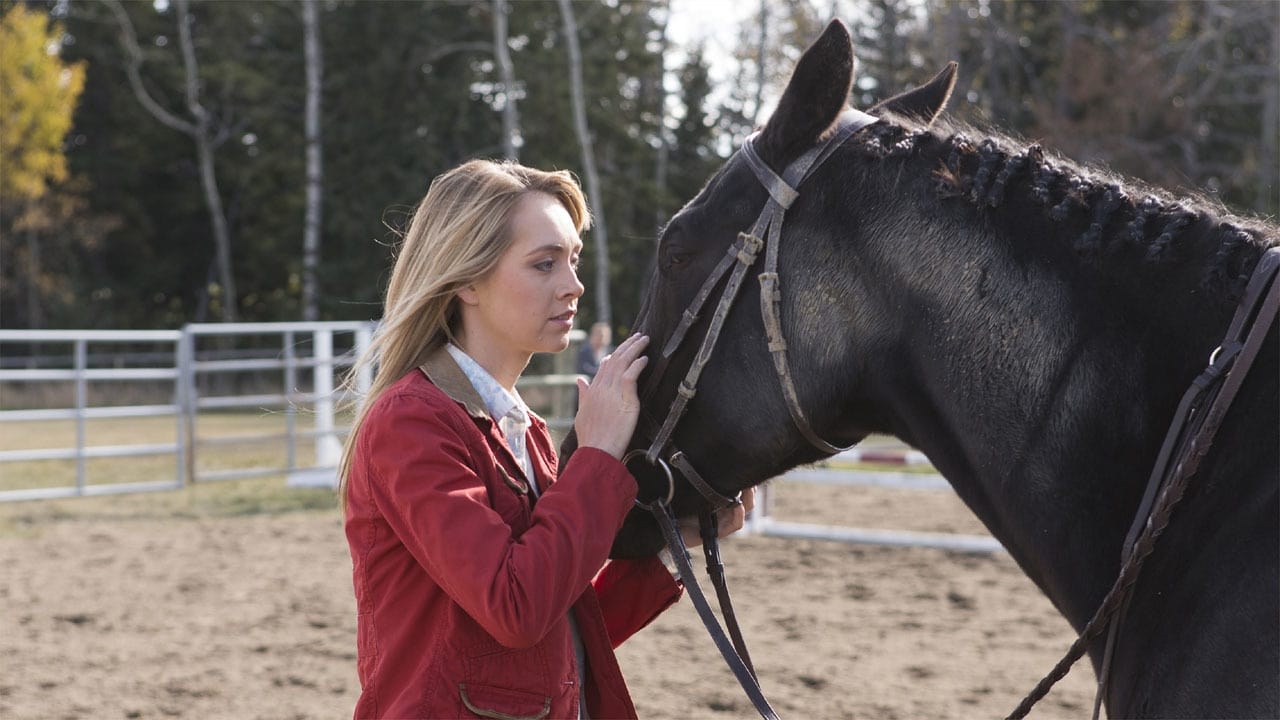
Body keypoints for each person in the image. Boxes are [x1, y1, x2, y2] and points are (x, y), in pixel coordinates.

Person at [338, 159, 753, 720]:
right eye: (544, 264)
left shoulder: (522, 429)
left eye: (573, 259)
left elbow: (565, 622)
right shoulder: (411, 422)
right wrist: (599, 453)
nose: (573, 284)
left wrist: (673, 542)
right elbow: (517, 609)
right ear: (466, 280)